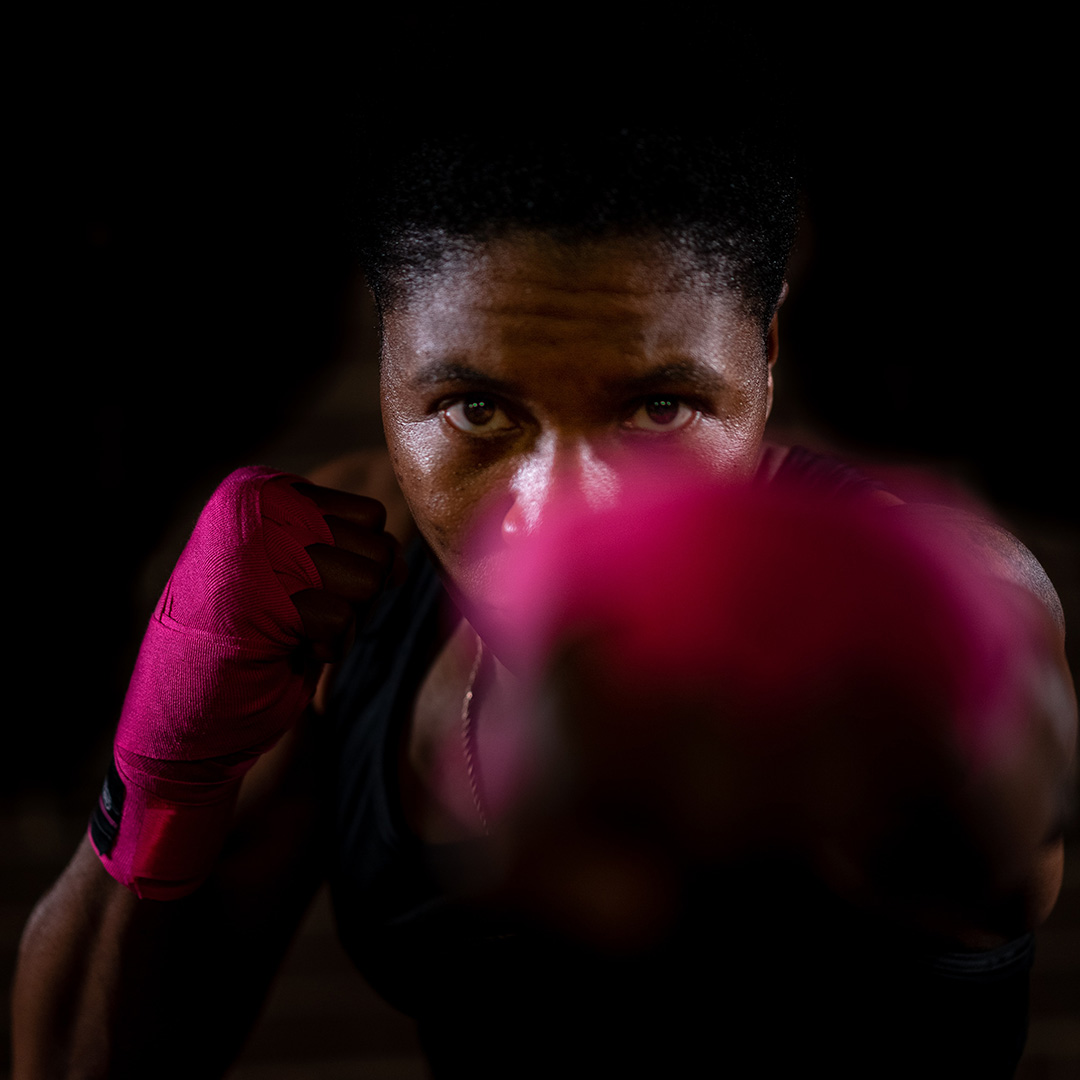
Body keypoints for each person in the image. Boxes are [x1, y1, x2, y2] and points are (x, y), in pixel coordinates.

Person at [12, 114, 1075, 1080]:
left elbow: (1001, 813)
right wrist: (158, 784)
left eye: (659, 409)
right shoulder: (337, 576)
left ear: (766, 349)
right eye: (478, 408)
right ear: (390, 357)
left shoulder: (919, 615)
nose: (561, 516)